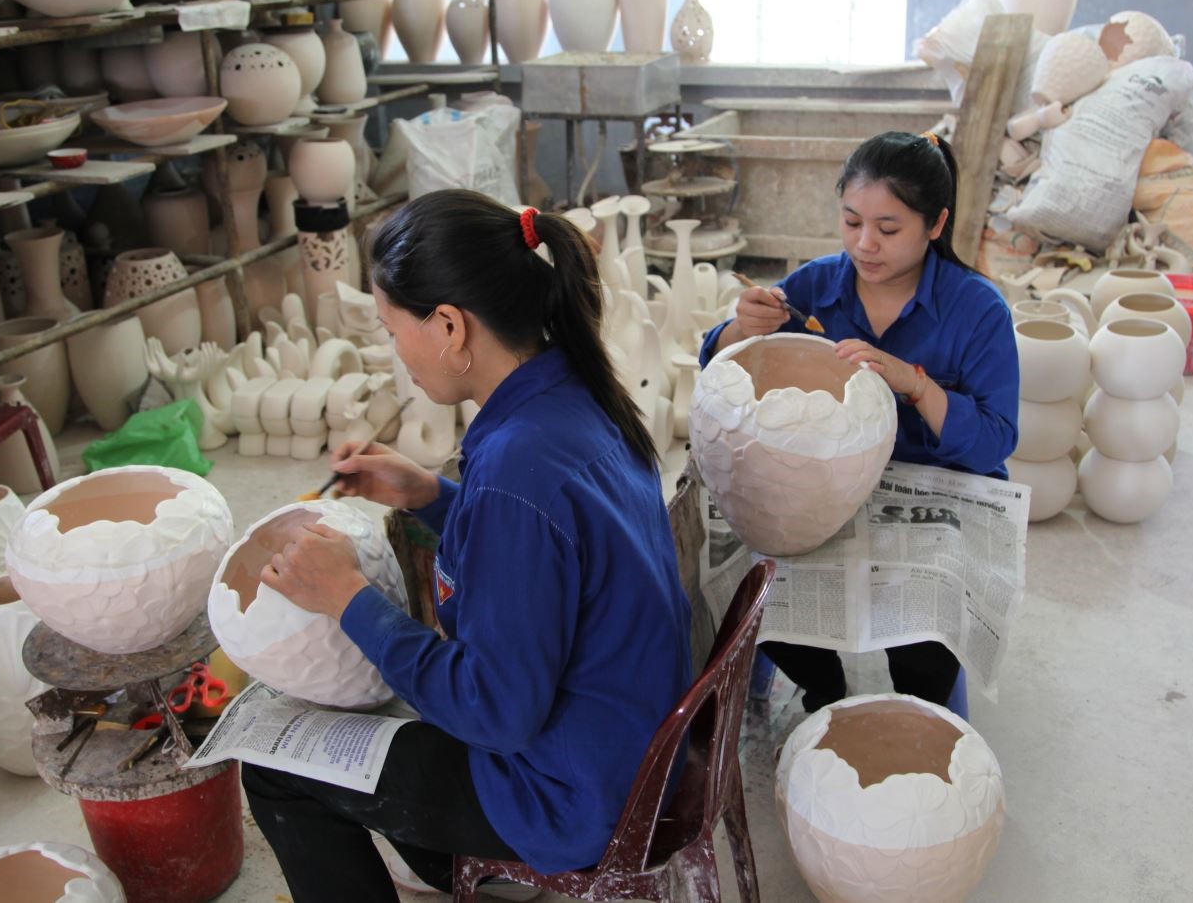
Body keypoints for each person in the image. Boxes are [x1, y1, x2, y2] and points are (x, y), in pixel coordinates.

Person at [243, 190, 694, 902]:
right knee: (383, 701)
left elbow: (496, 711)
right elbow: (547, 558)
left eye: (394, 330)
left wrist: (347, 598)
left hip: (569, 794)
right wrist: (430, 493)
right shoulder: (573, 391)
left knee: (279, 764)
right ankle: (445, 860)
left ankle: (459, 860)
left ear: (451, 326)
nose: (396, 353)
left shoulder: (517, 469)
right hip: (626, 744)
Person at [701, 130, 1019, 711]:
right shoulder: (815, 287)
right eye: (851, 222)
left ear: (936, 224)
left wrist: (916, 384)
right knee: (765, 592)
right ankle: (823, 687)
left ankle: (921, 705)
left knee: (923, 645)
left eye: (888, 229)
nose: (865, 244)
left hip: (933, 489)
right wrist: (740, 328)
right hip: (825, 483)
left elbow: (995, 440)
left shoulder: (978, 310)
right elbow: (722, 371)